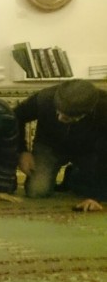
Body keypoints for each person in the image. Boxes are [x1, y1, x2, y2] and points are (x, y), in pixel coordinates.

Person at [14, 80, 107, 212]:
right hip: (50, 146)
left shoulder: (104, 107)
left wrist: (95, 197)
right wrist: (22, 151)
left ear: (87, 112)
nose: (59, 118)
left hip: (89, 151)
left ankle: (74, 175)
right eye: (58, 112)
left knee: (100, 191)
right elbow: (16, 117)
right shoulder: (44, 98)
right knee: (37, 191)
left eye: (67, 117)